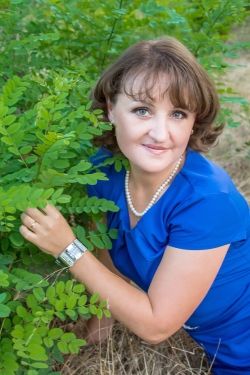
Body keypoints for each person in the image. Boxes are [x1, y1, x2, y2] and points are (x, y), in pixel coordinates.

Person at [19, 37, 250, 375]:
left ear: (194, 121)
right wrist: (101, 323)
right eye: (142, 110)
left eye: (177, 113)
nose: (160, 133)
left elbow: (156, 326)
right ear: (111, 109)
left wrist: (68, 248)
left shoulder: (208, 201)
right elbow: (105, 249)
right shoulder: (103, 169)